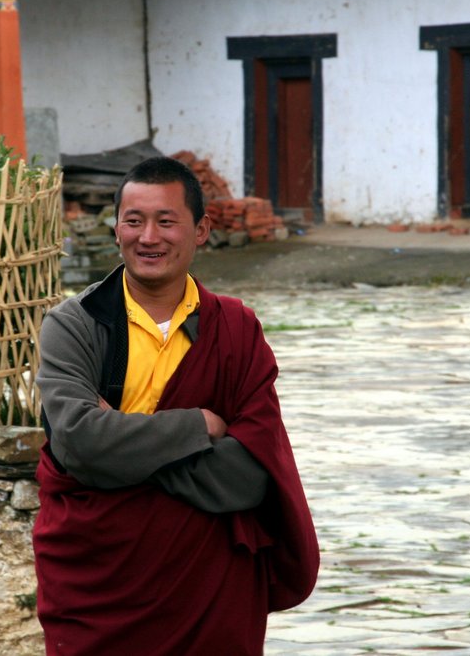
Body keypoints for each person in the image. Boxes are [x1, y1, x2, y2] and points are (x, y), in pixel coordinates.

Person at [33, 156, 319, 655]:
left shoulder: (235, 329)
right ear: (116, 228)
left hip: (206, 584)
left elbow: (250, 475)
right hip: (99, 584)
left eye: (166, 221)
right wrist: (198, 425)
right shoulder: (74, 325)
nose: (148, 237)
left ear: (201, 229)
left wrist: (120, 446)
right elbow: (79, 445)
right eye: (133, 221)